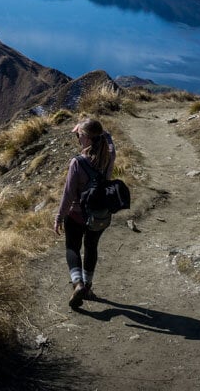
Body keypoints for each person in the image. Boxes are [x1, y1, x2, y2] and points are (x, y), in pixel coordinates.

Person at [53, 115, 116, 308]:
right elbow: (108, 138)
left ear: (87, 139)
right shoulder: (109, 155)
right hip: (100, 214)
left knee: (72, 247)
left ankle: (78, 283)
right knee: (91, 247)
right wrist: (95, 129)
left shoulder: (78, 163)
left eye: (79, 135)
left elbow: (68, 194)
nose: (77, 139)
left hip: (76, 215)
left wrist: (59, 217)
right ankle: (87, 285)